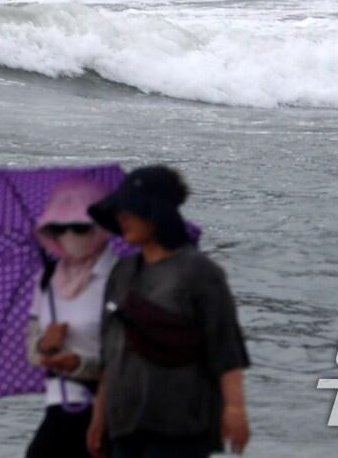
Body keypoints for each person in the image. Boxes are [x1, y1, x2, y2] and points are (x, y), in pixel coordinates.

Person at [85, 166, 251, 458]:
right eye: (119, 211)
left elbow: (225, 348)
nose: (122, 217)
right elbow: (110, 354)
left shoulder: (199, 272)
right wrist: (99, 418)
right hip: (124, 425)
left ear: (156, 211)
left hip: (180, 428)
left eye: (130, 209)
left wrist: (235, 409)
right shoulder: (122, 272)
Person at [26, 179, 117, 458]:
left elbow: (128, 358)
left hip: (107, 411)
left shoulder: (119, 276)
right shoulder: (48, 278)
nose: (69, 236)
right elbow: (32, 351)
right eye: (59, 228)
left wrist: (78, 364)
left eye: (79, 227)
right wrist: (45, 346)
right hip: (59, 406)